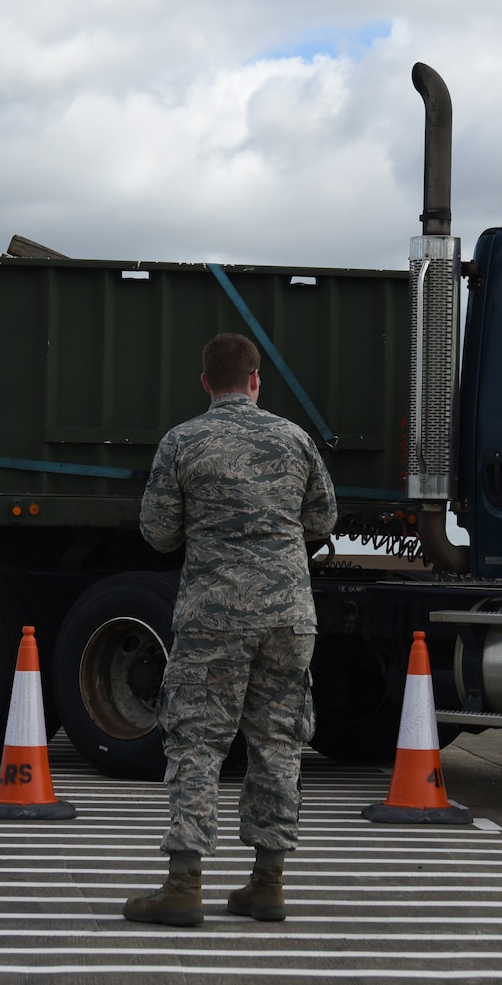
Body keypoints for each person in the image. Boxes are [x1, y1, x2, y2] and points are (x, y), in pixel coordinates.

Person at [123, 332, 334, 927]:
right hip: (289, 616)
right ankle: (267, 883)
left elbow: (157, 531)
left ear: (206, 383)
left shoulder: (183, 442)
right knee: (277, 742)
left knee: (196, 740)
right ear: (256, 379)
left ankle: (184, 885)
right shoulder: (294, 439)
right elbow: (323, 517)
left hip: (214, 615)